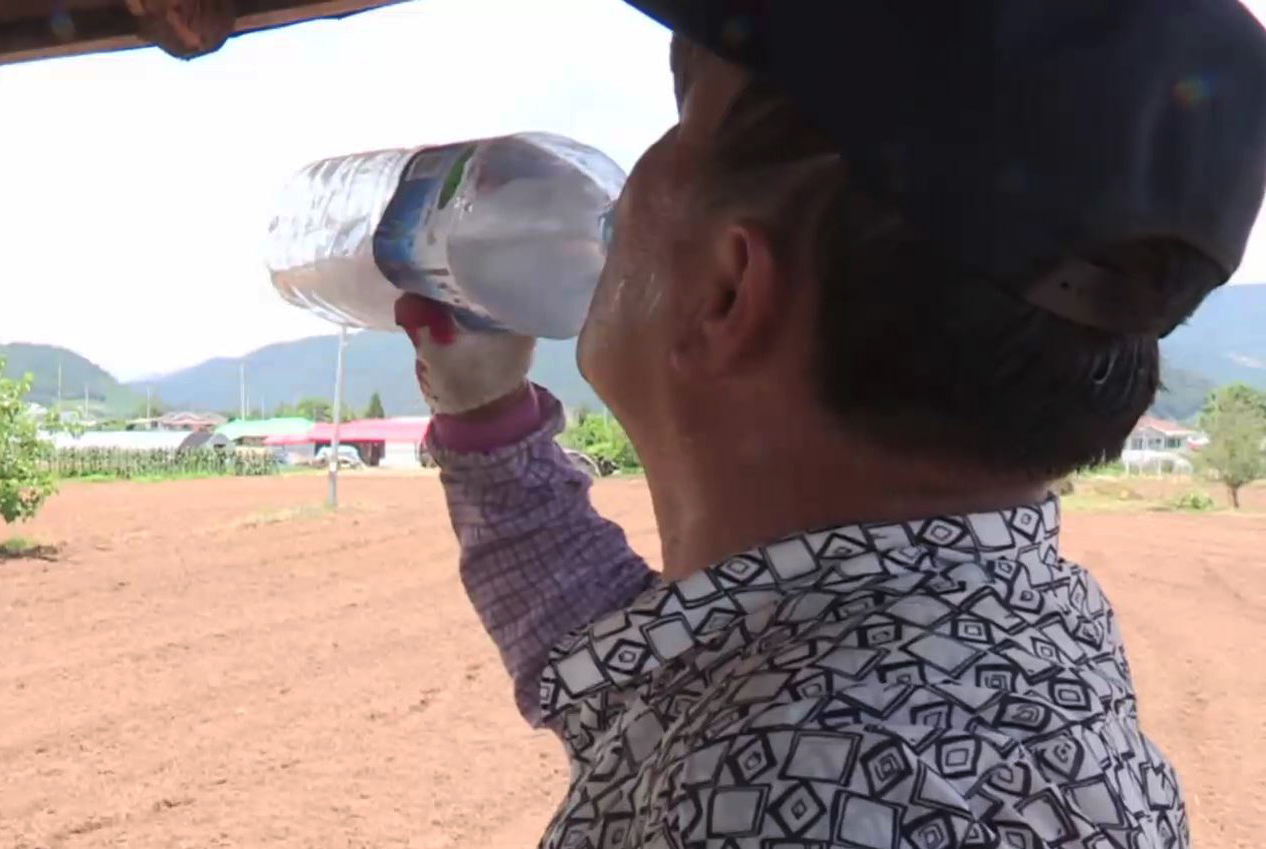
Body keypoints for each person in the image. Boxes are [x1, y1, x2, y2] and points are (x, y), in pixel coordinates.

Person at [395, 1, 1266, 846]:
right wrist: (485, 422)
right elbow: (648, 674)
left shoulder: (768, 799)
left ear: (730, 288)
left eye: (679, 124)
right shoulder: (979, 615)